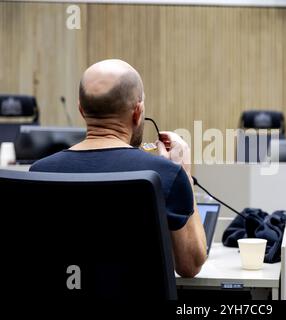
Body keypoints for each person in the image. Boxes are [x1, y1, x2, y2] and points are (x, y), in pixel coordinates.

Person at [30, 59, 207, 278]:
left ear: (81, 110)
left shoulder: (40, 173)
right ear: (137, 111)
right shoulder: (165, 174)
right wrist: (185, 175)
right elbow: (190, 265)